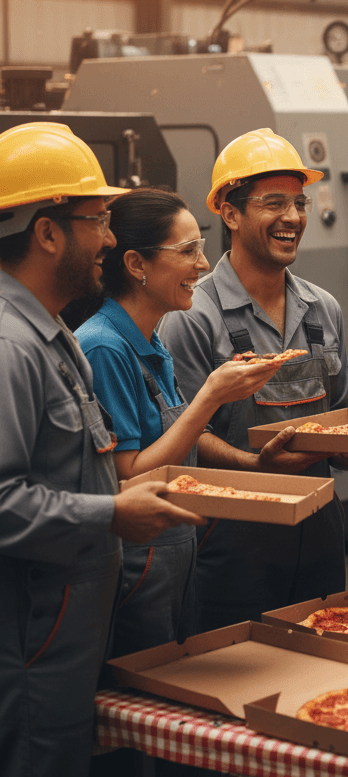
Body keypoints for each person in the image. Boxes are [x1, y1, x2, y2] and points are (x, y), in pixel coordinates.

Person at [0, 122, 203, 777]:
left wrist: (116, 501)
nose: (111, 240)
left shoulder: (53, 335)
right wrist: (112, 512)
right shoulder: (11, 348)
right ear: (47, 231)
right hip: (33, 645)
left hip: (74, 633)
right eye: (96, 220)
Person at [159, 128, 348, 630]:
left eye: (299, 203)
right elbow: (184, 438)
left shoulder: (325, 309)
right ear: (230, 213)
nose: (294, 218)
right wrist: (254, 464)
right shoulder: (193, 316)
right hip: (233, 540)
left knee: (320, 669)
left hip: (319, 530)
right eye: (273, 203)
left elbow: (337, 415)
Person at [76, 188, 283, 658]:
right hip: (139, 563)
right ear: (136, 264)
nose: (204, 265)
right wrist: (210, 396)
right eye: (188, 251)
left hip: (177, 555)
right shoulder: (104, 347)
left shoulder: (151, 341)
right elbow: (131, 474)